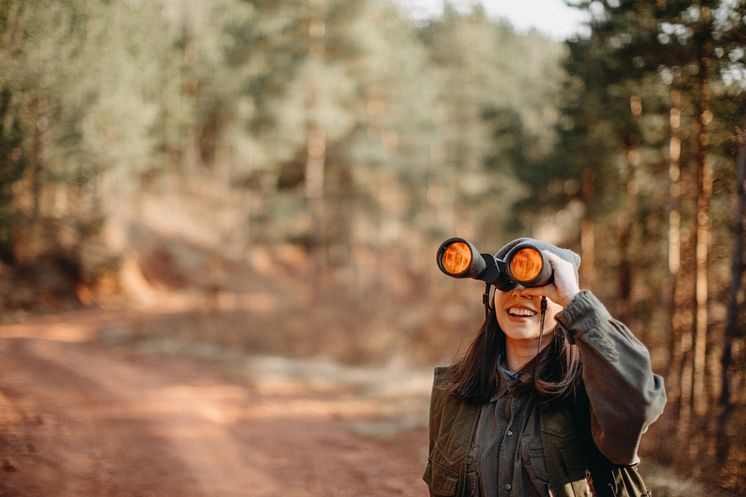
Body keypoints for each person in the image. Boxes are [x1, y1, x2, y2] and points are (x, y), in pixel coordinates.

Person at [424, 238, 666, 497]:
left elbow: (638, 405)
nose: (520, 292)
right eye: (507, 283)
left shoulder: (592, 392)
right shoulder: (454, 390)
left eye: (535, 285)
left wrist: (574, 299)